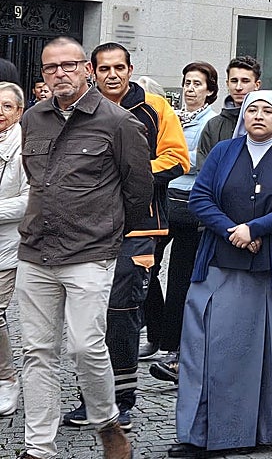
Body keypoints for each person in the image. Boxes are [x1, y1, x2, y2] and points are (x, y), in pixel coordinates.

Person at [18, 36, 152, 459]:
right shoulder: (32, 119)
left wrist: (107, 233)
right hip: (36, 250)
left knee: (84, 346)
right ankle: (39, 447)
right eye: (50, 67)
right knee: (37, 352)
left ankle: (106, 421)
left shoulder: (119, 122)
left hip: (90, 252)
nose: (60, 73)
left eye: (68, 65)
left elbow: (139, 190)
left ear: (86, 70)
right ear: (43, 74)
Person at [169, 90, 272, 458]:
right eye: (252, 110)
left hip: (271, 269)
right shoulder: (222, 153)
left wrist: (256, 229)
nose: (259, 116)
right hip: (221, 263)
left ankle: (262, 431)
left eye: (268, 111)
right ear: (243, 115)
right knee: (209, 350)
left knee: (267, 354)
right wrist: (235, 230)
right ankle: (202, 434)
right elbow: (200, 198)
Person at [61, 42, 188, 430]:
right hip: (85, 230)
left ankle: (122, 401)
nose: (112, 75)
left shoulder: (156, 108)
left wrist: (128, 170)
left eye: (119, 67)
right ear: (91, 72)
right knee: (88, 318)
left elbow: (178, 157)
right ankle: (92, 399)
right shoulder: (77, 110)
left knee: (122, 316)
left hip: (138, 228)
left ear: (130, 69)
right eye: (104, 69)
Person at [147, 61, 220, 383]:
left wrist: (176, 160)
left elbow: (196, 162)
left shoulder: (211, 122)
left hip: (191, 206)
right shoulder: (172, 118)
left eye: (197, 84)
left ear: (209, 91)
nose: (190, 89)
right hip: (164, 200)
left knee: (179, 278)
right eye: (187, 83)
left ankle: (174, 344)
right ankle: (156, 331)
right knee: (146, 267)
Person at [0, 82, 28, 416]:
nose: (0, 112)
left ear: (20, 111)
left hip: (7, 245)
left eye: (7, 106)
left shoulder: (26, 146)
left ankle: (7, 378)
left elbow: (31, 198)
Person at [195, 56, 262, 171]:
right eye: (234, 81)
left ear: (257, 85)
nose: (238, 87)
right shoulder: (213, 126)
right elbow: (204, 168)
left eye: (245, 81)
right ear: (227, 84)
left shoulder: (269, 122)